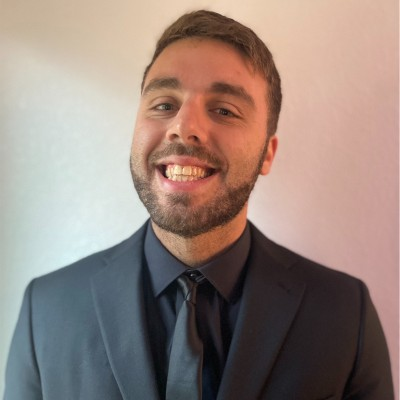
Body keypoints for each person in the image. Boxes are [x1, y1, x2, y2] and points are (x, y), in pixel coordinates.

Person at [4, 10, 394, 400]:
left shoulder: (345, 315)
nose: (183, 127)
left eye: (224, 110)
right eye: (163, 104)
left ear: (267, 154)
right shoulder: (46, 310)